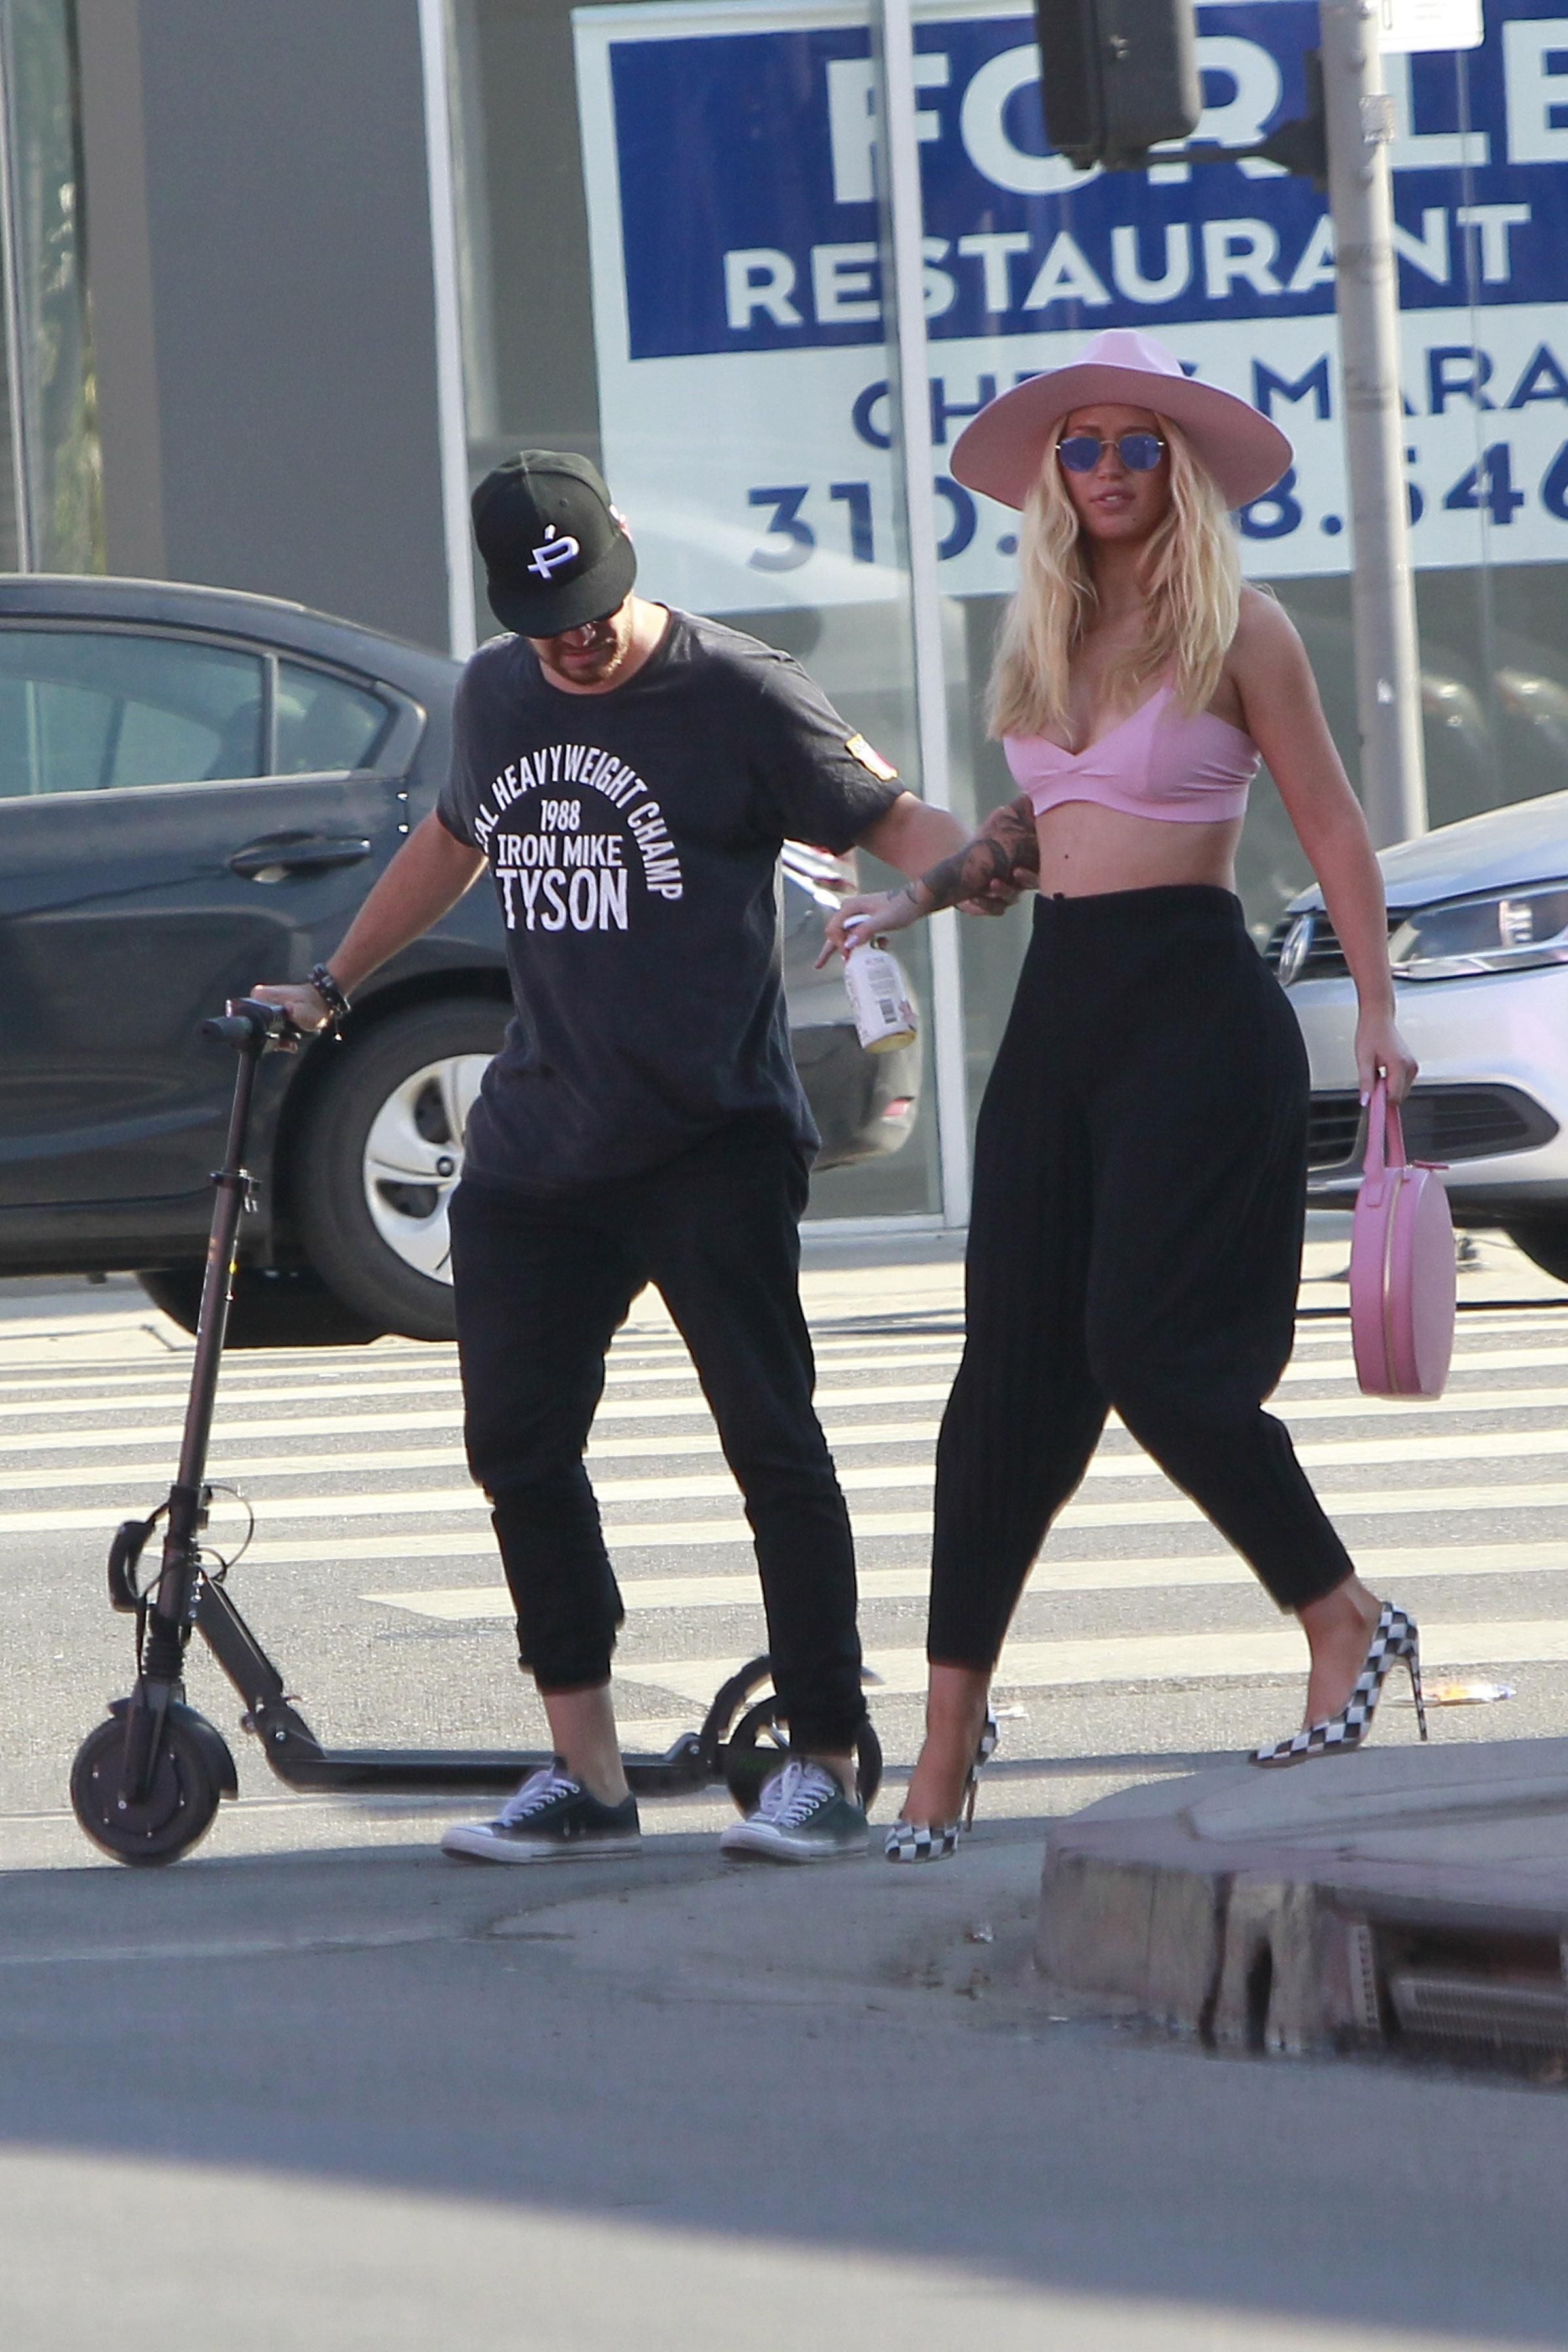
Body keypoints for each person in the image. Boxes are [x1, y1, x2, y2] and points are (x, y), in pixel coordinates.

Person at [255, 450, 982, 1866]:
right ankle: (585, 1774)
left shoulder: (742, 691)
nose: (577, 642)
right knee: (518, 1447)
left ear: (626, 544)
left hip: (711, 1136)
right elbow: (453, 842)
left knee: (772, 1445)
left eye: (593, 609)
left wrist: (988, 865)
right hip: (540, 1142)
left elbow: (894, 820)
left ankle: (826, 1760)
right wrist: (334, 982)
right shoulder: (500, 692)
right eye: (549, 624)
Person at [822, 327, 1422, 1863]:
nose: (1104, 469)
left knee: (1152, 1356)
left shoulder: (1241, 630)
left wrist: (1376, 1007)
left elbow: (1333, 827)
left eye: (1134, 445)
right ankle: (946, 1740)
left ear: (1178, 467)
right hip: (1063, 1013)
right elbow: (1046, 820)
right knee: (1003, 1387)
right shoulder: (1046, 628)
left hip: (1195, 1014)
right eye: (1079, 446)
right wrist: (919, 896)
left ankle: (1342, 1615)